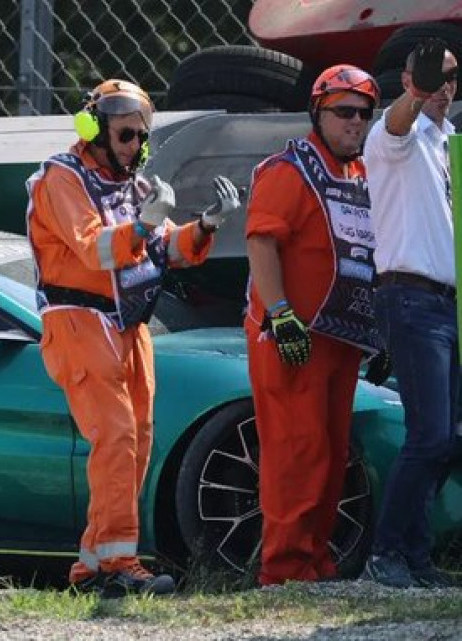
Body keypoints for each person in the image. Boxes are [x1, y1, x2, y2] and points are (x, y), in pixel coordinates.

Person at [25, 78, 240, 595]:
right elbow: (94, 252)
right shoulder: (62, 177)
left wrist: (207, 225)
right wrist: (142, 228)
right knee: (117, 435)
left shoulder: (133, 187)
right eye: (125, 135)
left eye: (141, 137)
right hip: (79, 318)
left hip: (128, 322)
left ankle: (97, 565)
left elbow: (170, 251)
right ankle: (117, 566)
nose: (135, 146)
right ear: (93, 128)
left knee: (138, 439)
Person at [244, 63, 389, 587]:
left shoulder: (360, 173)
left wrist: (382, 331)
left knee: (329, 450)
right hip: (292, 335)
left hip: (341, 336)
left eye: (364, 114)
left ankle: (315, 562)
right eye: (344, 112)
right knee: (296, 449)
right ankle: (282, 571)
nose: (355, 123)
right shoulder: (289, 170)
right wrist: (280, 315)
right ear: (318, 113)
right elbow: (261, 242)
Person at [361, 37, 459, 590]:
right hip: (412, 297)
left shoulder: (449, 145)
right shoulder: (394, 138)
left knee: (445, 437)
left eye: (450, 77)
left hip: (446, 303)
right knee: (428, 436)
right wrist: (418, 95)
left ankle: (416, 558)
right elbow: (397, 124)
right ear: (409, 80)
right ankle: (387, 552)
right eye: (432, 75)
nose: (444, 85)